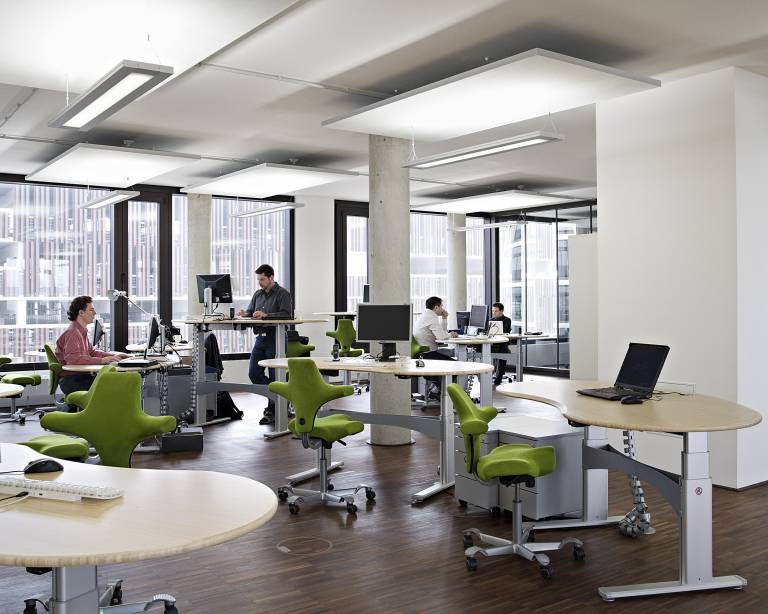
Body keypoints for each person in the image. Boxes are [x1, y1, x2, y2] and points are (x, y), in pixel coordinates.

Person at [239, 264, 292, 425]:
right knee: (254, 373)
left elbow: (287, 315)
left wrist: (266, 315)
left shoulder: (283, 294)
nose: (259, 282)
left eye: (262, 279)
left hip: (275, 339)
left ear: (271, 277)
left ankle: (274, 410)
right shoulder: (258, 294)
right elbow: (251, 311)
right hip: (260, 339)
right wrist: (245, 314)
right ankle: (283, 399)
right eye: (258, 279)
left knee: (276, 377)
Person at [55, 295, 129, 396]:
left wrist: (112, 356)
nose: (94, 313)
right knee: (117, 383)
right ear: (81, 313)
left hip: (80, 377)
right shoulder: (73, 333)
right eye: (91, 310)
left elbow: (91, 352)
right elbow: (73, 359)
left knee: (117, 379)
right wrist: (103, 360)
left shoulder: (81, 330)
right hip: (72, 380)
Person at [413, 296, 458, 396]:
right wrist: (451, 334)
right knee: (456, 366)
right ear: (436, 307)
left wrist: (444, 318)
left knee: (448, 356)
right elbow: (442, 337)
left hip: (423, 353)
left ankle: (435, 388)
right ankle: (438, 391)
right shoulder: (431, 317)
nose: (442, 308)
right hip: (427, 355)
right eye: (441, 306)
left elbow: (442, 333)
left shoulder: (426, 315)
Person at [490, 302, 512, 386]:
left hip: (502, 344)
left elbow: (506, 331)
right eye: (493, 311)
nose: (494, 313)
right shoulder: (491, 320)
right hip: (492, 344)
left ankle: (499, 376)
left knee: (502, 351)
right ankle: (489, 374)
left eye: (496, 311)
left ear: (501, 311)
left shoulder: (506, 320)